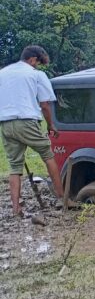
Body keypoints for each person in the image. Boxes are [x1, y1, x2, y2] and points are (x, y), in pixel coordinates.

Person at [0, 46, 66, 225]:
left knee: (15, 166)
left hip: (5, 124)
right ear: (33, 60)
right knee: (47, 155)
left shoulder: (3, 73)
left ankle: (16, 210)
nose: (38, 66)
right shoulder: (36, 75)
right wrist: (51, 125)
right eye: (38, 63)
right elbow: (44, 105)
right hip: (27, 121)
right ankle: (62, 198)